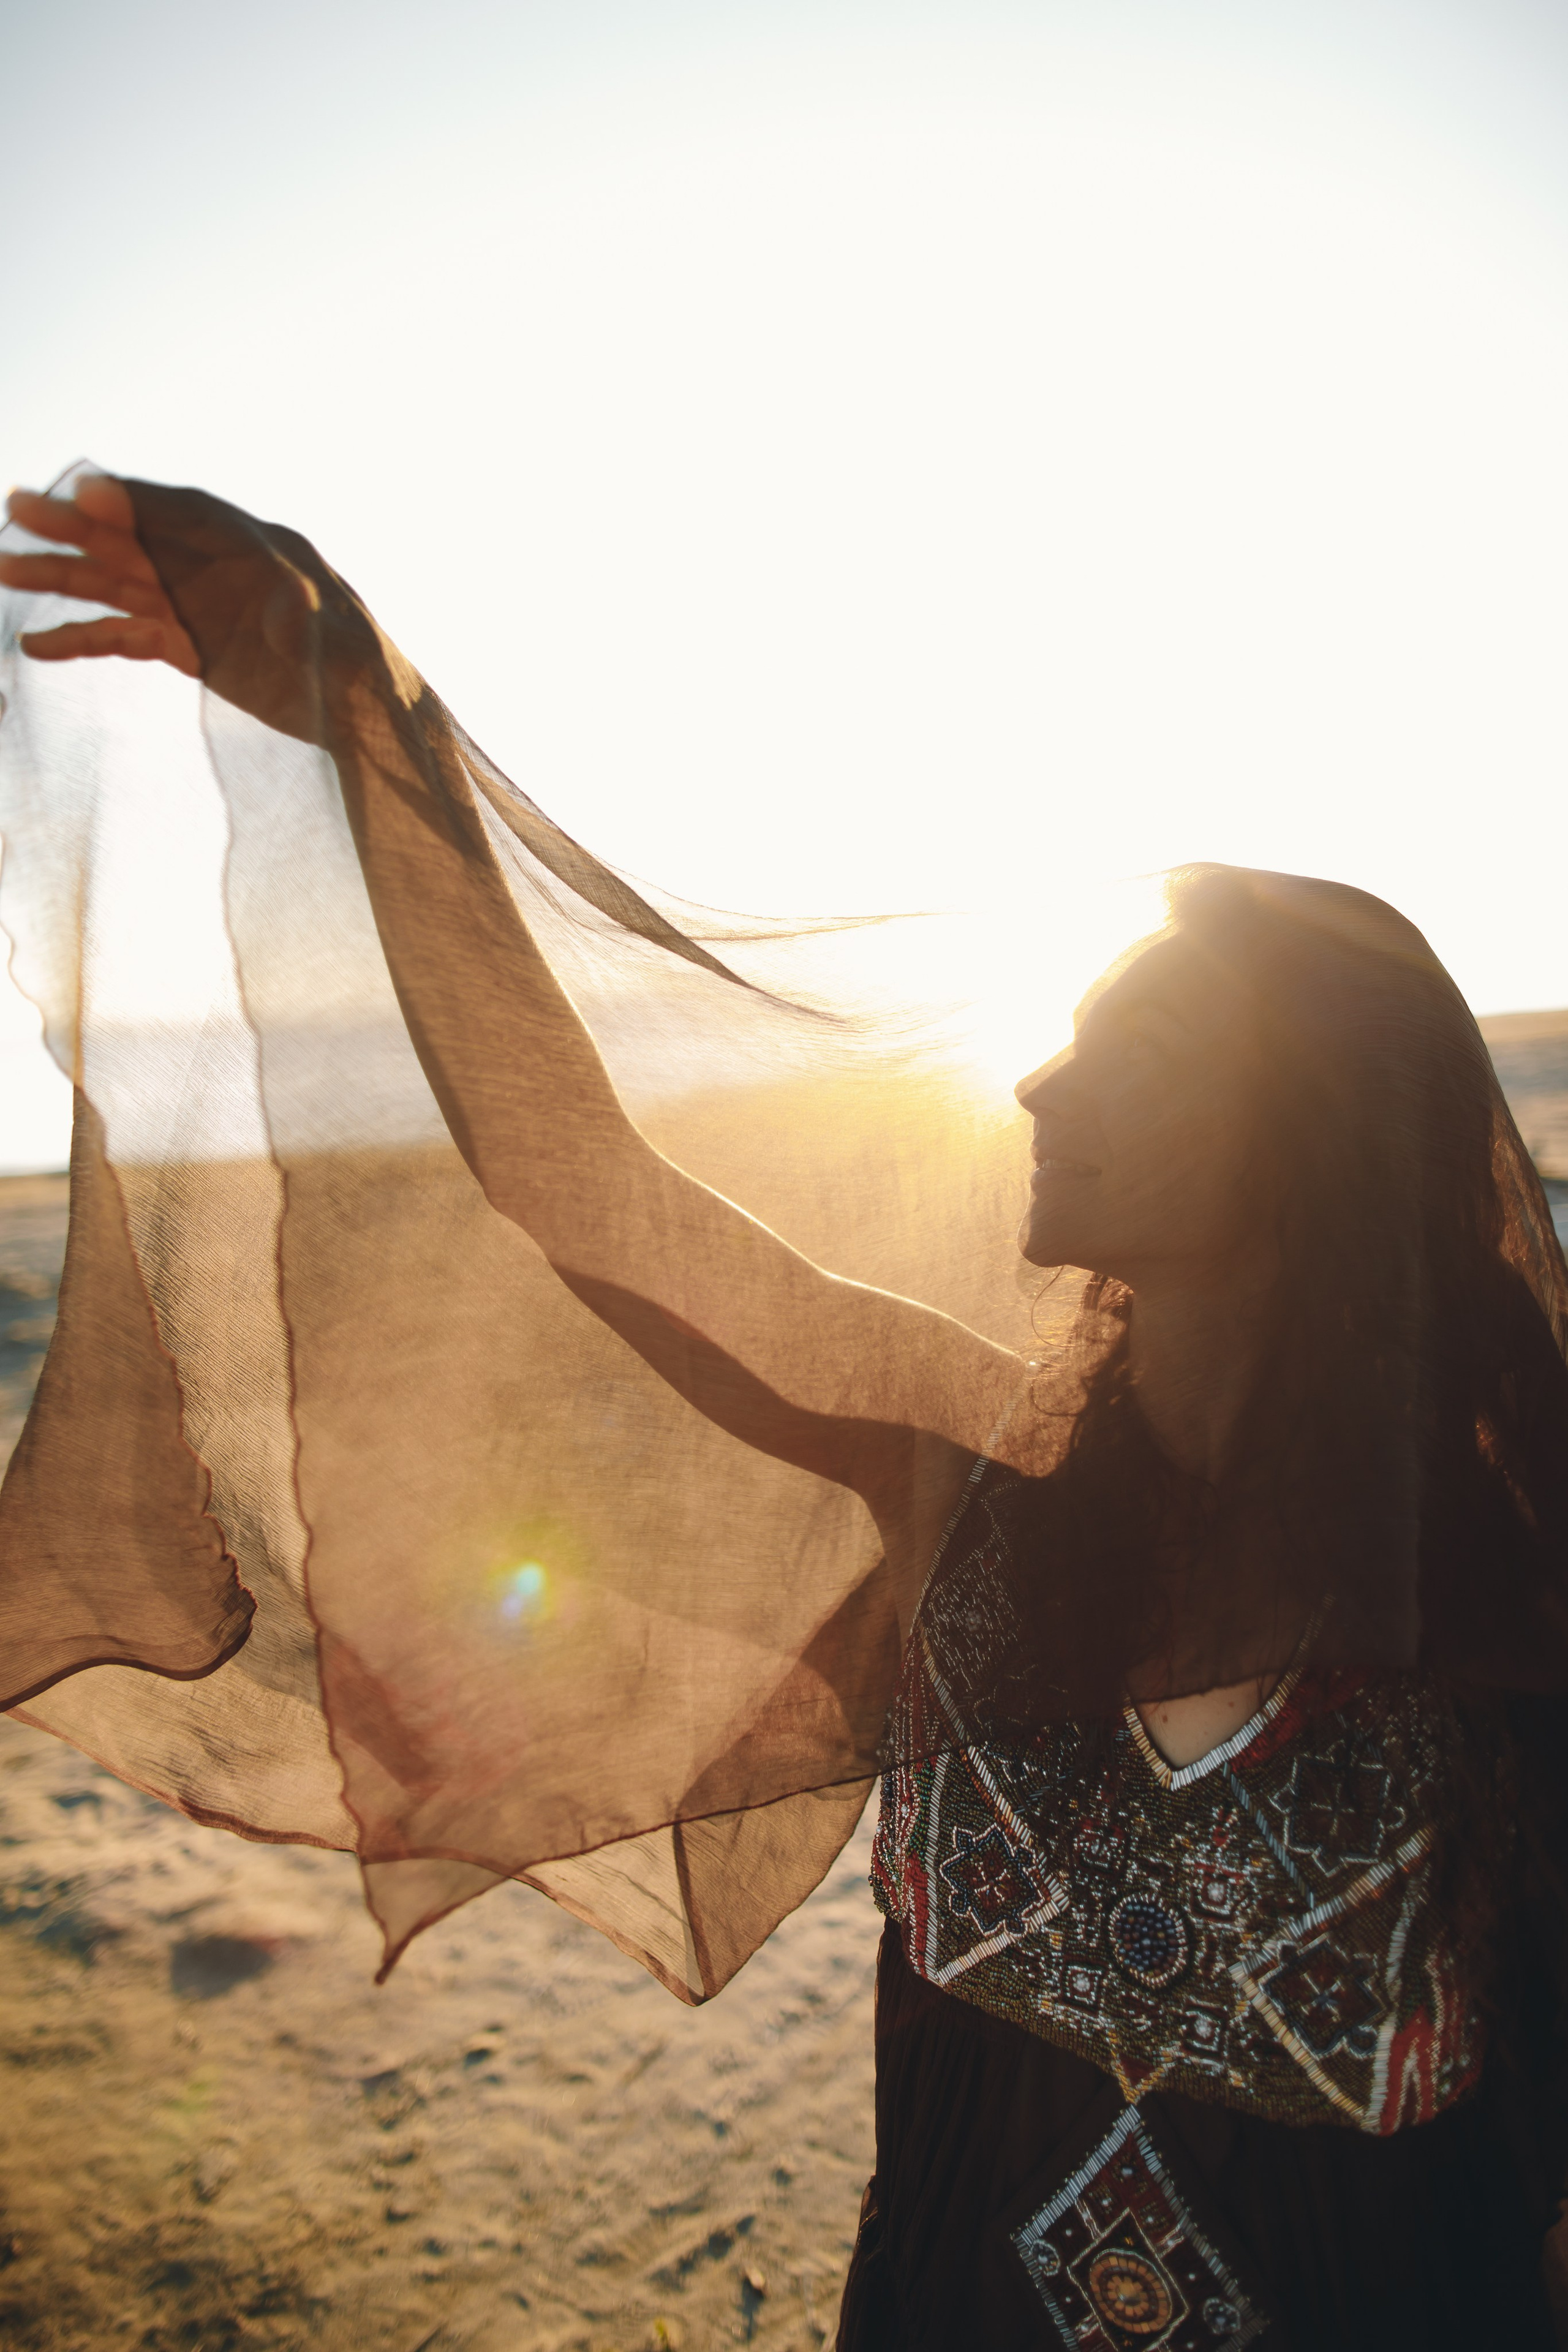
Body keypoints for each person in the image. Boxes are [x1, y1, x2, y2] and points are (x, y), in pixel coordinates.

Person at [3, 477, 1567, 2349]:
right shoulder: (970, 1475)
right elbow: (592, 1190)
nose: (1040, 1080)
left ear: (1281, 1137)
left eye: (1118, 1047)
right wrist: (362, 722)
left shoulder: (1503, 1587)